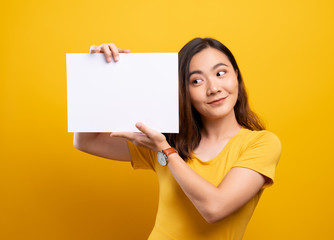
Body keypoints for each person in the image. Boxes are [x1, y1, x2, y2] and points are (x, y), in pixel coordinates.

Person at [74, 38, 281, 240]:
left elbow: (214, 209)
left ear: (236, 75)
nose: (213, 88)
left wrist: (165, 150)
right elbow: (86, 141)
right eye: (196, 81)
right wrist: (95, 77)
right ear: (183, 90)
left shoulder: (261, 144)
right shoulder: (165, 138)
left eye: (220, 73)